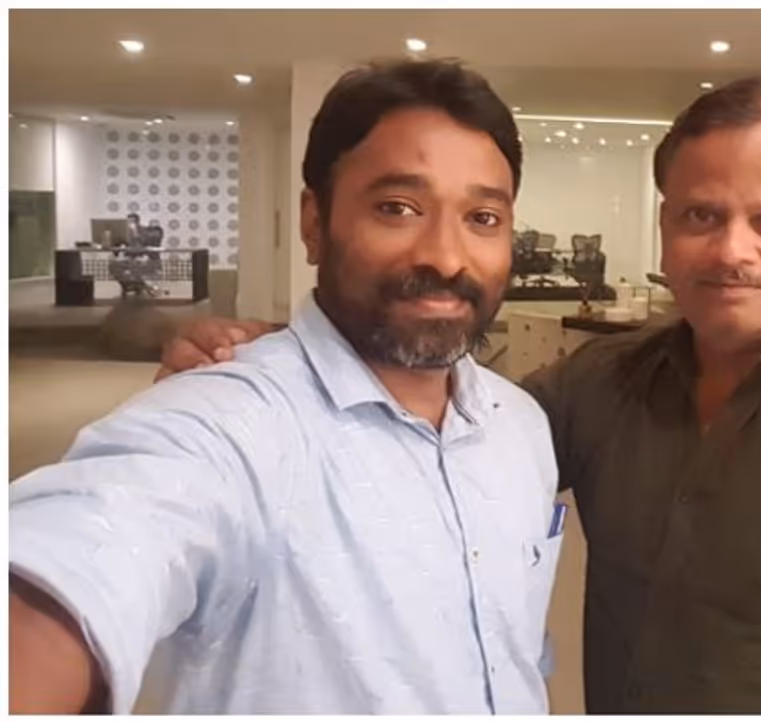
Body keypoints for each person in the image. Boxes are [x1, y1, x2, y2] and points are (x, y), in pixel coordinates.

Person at [158, 79, 761, 713]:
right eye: (702, 216)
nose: (732, 250)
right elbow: (443, 424)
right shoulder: (604, 382)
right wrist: (278, 352)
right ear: (667, 231)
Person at [9, 59, 563, 714]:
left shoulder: (521, 425)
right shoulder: (228, 419)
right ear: (313, 222)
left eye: (483, 217)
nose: (446, 256)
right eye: (397, 208)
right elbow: (89, 545)